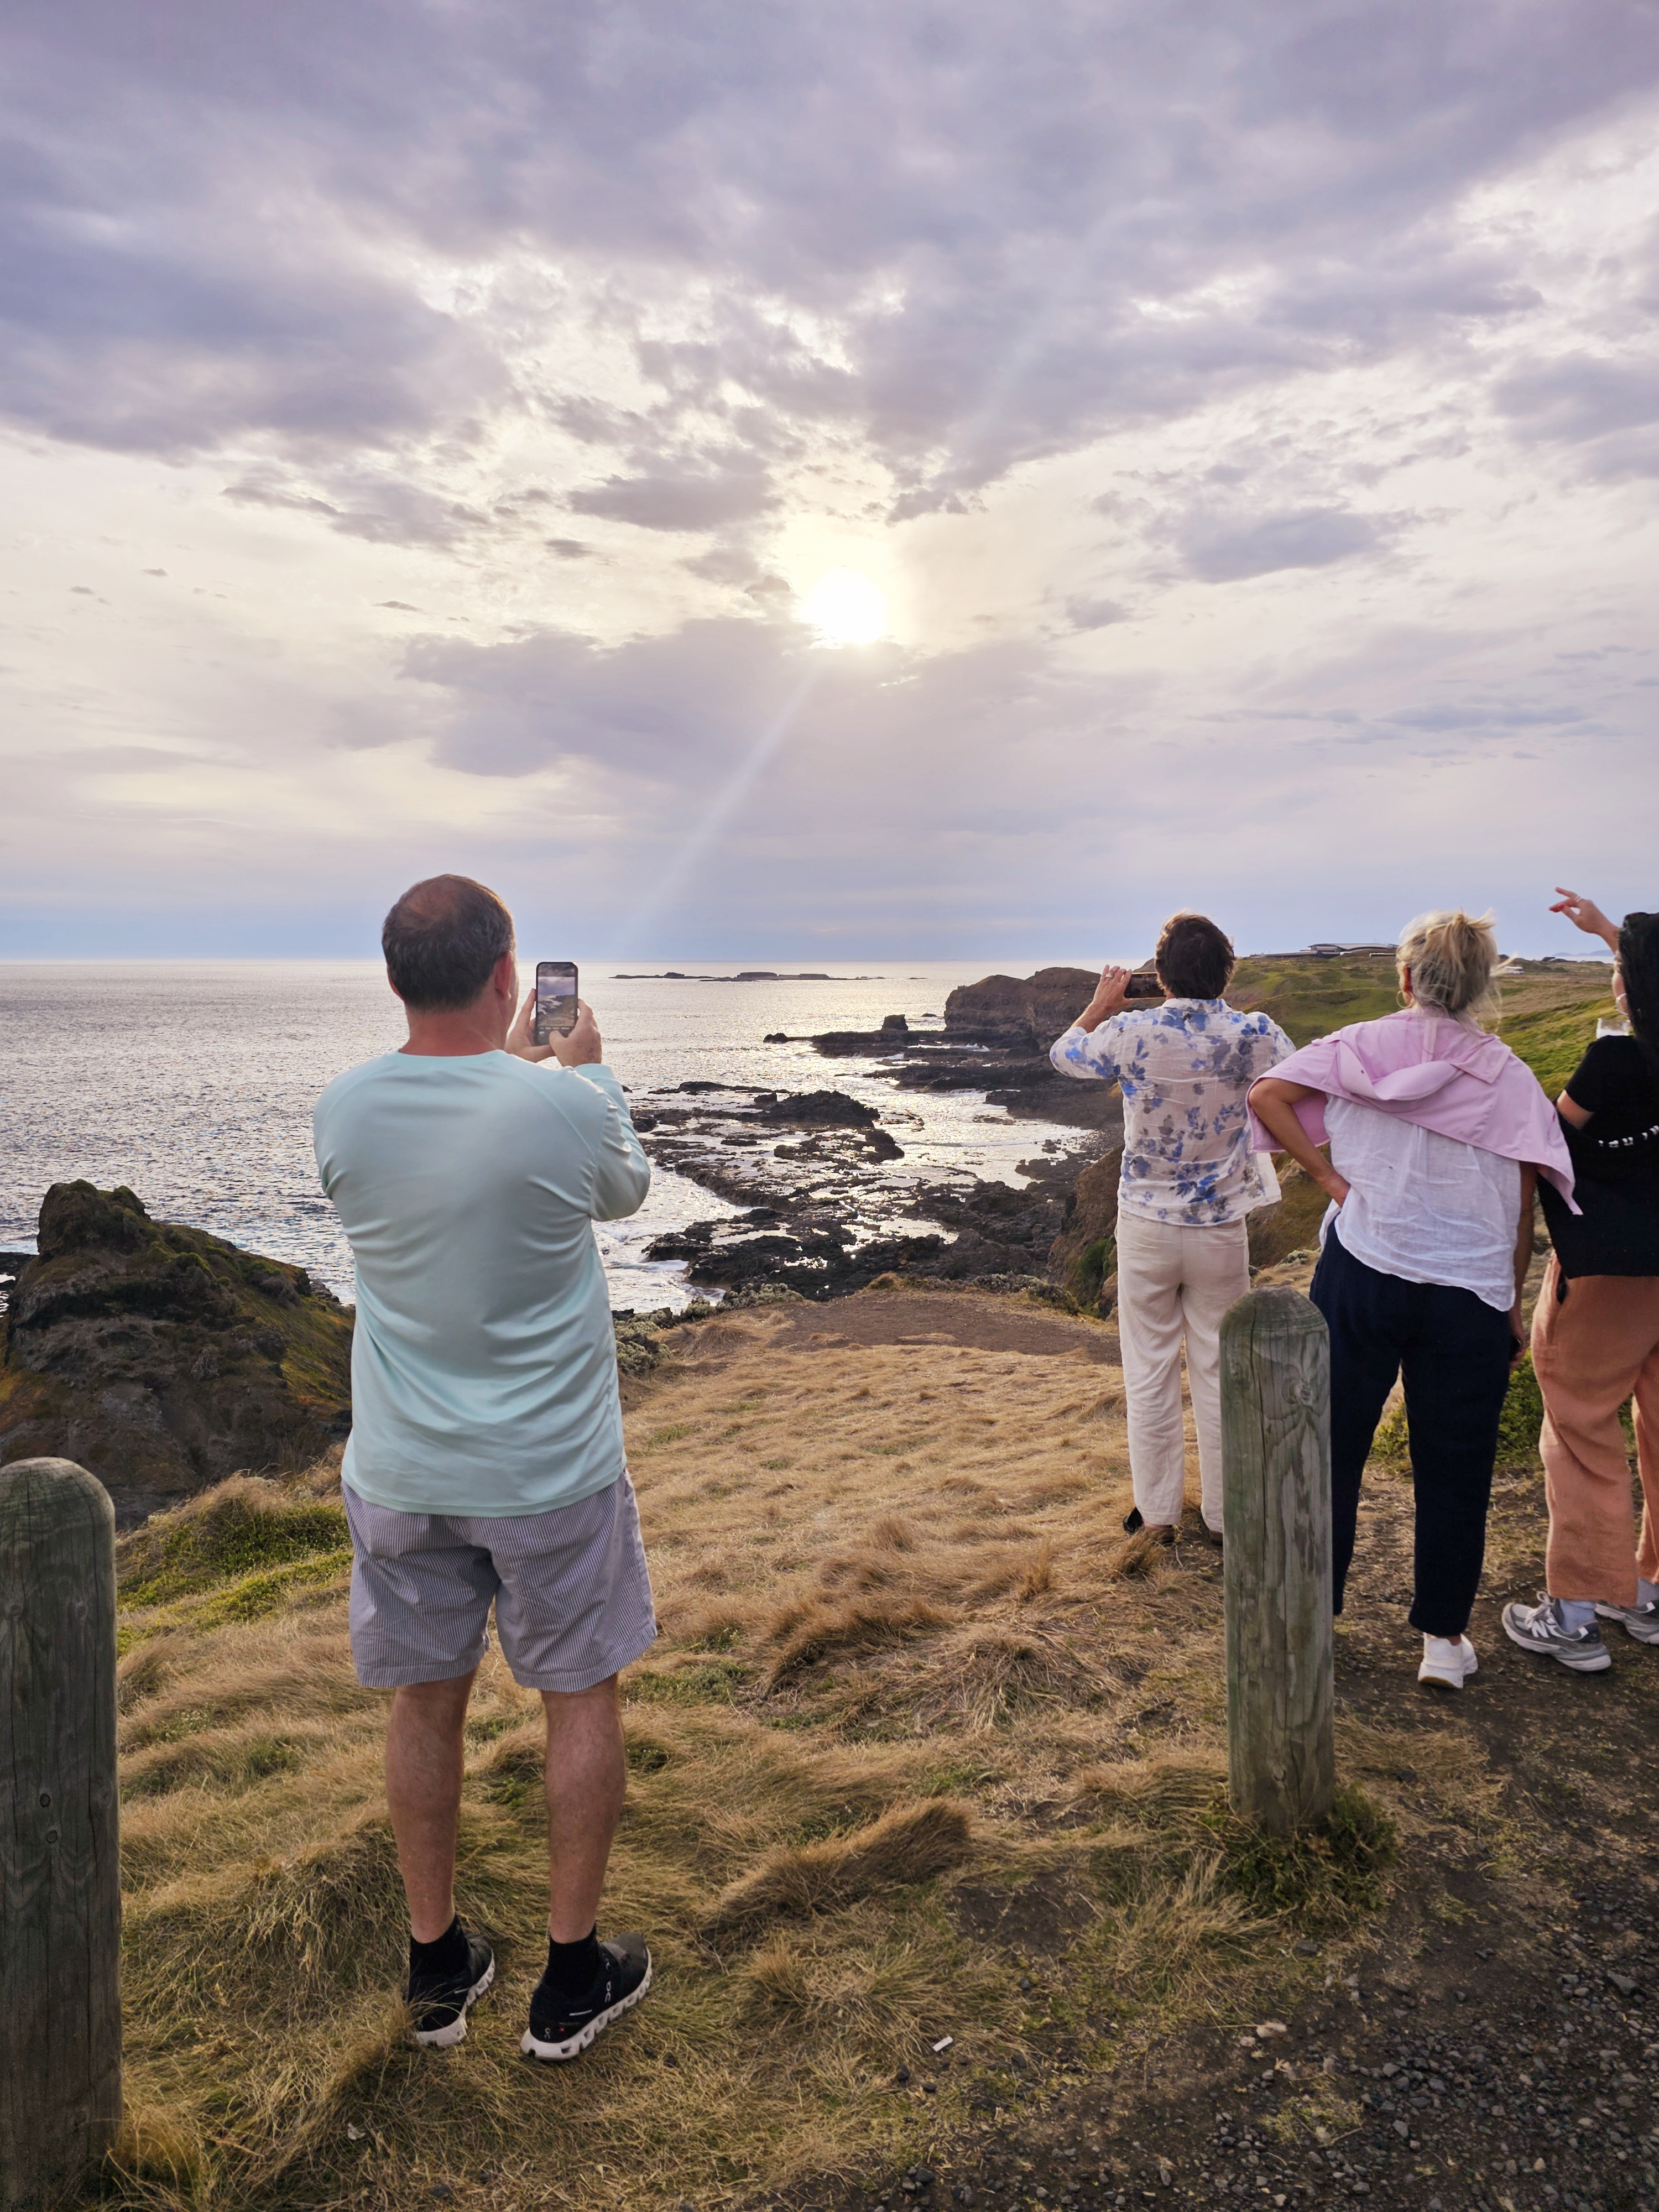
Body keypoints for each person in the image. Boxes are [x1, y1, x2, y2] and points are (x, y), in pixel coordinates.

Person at [313, 875, 656, 2060]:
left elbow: (441, 1149)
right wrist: (587, 1069)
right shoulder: (555, 1107)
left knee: (425, 1697)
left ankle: (436, 1966)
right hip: (551, 1467)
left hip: (404, 1465)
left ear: (398, 977)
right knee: (580, 1694)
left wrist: (504, 1065)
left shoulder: (343, 1110)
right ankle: (569, 1978)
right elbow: (623, 1185)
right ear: (511, 977)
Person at [1248, 910, 1573, 1691]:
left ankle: (1310, 1621)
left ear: (1405, 980)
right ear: (1480, 988)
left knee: (1330, 1449)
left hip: (1363, 1268)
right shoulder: (1511, 1076)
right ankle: (1443, 1640)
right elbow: (1520, 1205)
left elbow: (1267, 1096)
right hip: (1467, 1288)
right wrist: (1505, 1303)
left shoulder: (1357, 1045)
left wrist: (1329, 1181)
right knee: (1455, 1466)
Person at [1051, 912, 1293, 1543]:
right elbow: (1298, 1082)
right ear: (1227, 972)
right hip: (1219, 1229)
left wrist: (1100, 1006)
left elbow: (1064, 1056)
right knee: (1219, 1370)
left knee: (1150, 1367)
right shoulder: (1255, 1034)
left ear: (1159, 977)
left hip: (1146, 1228)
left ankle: (1156, 1514)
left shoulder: (1130, 1031)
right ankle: (1222, 1514)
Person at [1502, 890, 1659, 1674]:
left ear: (1632, 988)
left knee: (1583, 1435)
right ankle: (1653, 1596)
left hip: (1604, 1275)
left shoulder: (1612, 1060)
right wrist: (1609, 934)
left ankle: (1575, 1619)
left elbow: (1550, 1142)